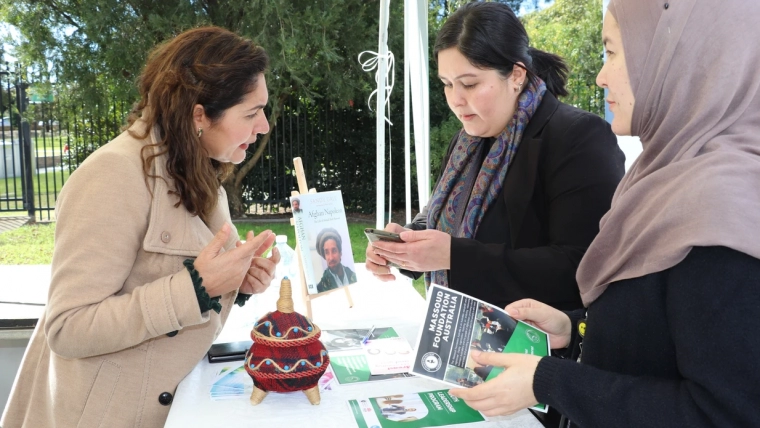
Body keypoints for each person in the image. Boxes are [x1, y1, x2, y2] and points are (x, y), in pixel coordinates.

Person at [449, 1, 760, 426]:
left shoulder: (721, 207)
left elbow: (725, 413)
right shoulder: (669, 177)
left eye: (613, 52)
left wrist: (551, 381)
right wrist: (575, 330)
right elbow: (655, 332)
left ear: (676, 60)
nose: (600, 75)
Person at [1, 27, 281, 428]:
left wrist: (239, 282)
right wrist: (198, 286)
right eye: (251, 113)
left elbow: (177, 283)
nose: (264, 126)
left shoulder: (198, 173)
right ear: (199, 114)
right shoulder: (113, 174)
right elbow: (68, 327)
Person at [365, 2, 625, 311]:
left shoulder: (578, 137)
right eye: (447, 85)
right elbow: (449, 220)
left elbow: (582, 265)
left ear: (516, 75)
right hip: (460, 339)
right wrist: (406, 244)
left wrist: (452, 255)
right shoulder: (466, 142)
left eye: (470, 84)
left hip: (538, 347)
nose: (456, 100)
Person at [315, 227, 357, 292]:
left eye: (334, 251)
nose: (331, 257)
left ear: (340, 253)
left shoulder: (352, 275)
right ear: (324, 256)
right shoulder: (321, 288)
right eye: (327, 252)